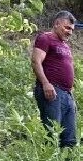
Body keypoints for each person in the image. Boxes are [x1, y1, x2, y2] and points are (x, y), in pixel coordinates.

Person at [32, 11, 78, 148]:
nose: (70, 32)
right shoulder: (46, 38)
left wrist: (70, 94)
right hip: (52, 92)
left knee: (69, 139)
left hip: (66, 95)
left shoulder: (65, 45)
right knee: (52, 135)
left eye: (72, 29)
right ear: (57, 24)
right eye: (67, 27)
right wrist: (46, 83)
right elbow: (35, 61)